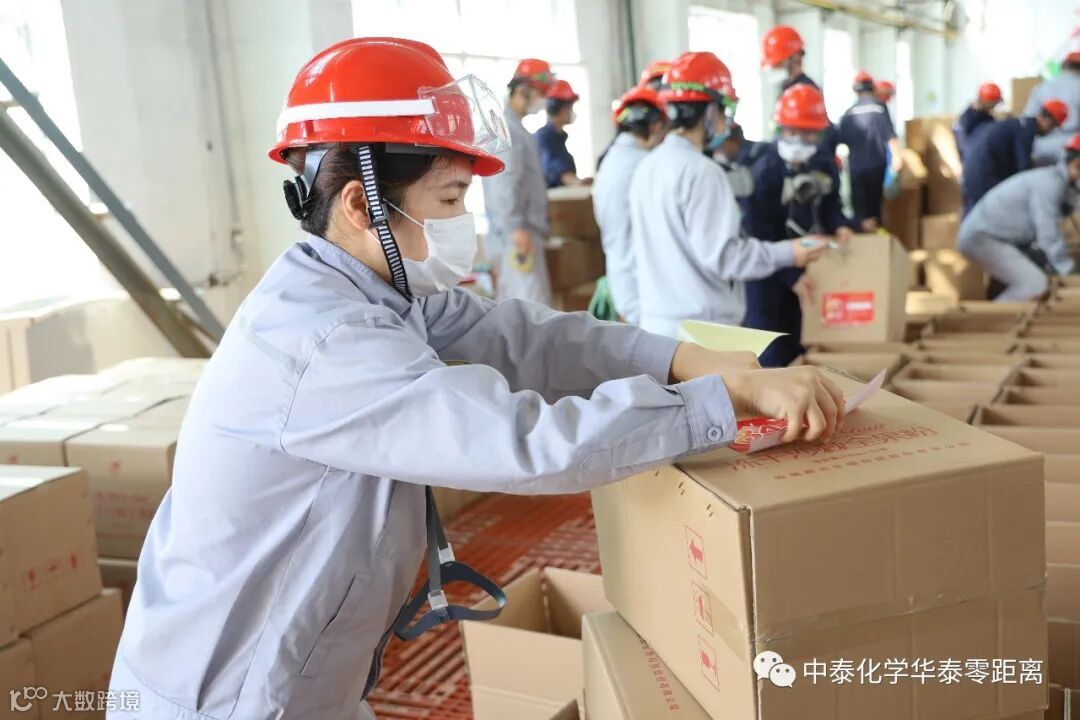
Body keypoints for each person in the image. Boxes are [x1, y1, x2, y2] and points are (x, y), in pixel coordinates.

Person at [105, 37, 847, 720]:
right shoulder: (324, 342)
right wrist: (716, 402)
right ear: (363, 205)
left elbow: (524, 334)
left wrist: (680, 359)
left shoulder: (377, 291)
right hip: (229, 697)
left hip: (304, 678)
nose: (463, 223)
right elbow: (528, 444)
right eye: (450, 200)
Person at [629, 51, 827, 338]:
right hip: (701, 332)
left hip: (657, 328)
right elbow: (726, 257)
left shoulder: (646, 167)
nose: (726, 121)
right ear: (710, 111)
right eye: (724, 110)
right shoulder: (702, 172)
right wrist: (790, 252)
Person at [741, 85, 857, 368]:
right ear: (780, 128)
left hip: (807, 269)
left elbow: (831, 205)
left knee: (798, 344)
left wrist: (840, 225)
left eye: (809, 133)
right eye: (793, 131)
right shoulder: (762, 169)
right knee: (768, 350)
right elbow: (756, 232)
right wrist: (790, 275)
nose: (801, 140)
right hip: (767, 275)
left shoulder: (823, 162)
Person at [958, 132, 1080, 301]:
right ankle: (995, 317)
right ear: (1077, 163)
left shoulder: (1059, 184)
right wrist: (1069, 270)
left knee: (1041, 272)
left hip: (1002, 239)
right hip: (983, 238)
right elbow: (1048, 235)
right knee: (1034, 284)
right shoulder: (1050, 184)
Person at [482, 57, 555, 304]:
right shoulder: (509, 130)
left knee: (524, 306)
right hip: (517, 236)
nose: (543, 100)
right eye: (541, 93)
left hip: (519, 232)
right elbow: (505, 182)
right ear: (523, 91)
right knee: (530, 308)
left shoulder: (516, 129)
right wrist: (515, 227)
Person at [593, 85, 667, 324]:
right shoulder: (646, 164)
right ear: (655, 127)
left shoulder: (610, 160)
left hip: (621, 276)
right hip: (643, 284)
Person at [961, 98, 1068, 215]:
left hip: (972, 173)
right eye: (1053, 127)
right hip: (985, 176)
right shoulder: (1025, 132)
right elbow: (1023, 171)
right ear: (1049, 122)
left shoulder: (1018, 124)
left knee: (973, 217)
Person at [838, 70, 902, 231]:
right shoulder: (879, 109)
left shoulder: (848, 113)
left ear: (855, 90)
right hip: (876, 167)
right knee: (875, 210)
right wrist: (897, 159)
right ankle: (876, 241)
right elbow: (890, 137)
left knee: (859, 214)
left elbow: (840, 140)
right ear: (873, 88)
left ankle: (862, 240)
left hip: (856, 169)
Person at [1025, 34, 1080, 164]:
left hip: (1039, 148)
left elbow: (1028, 119)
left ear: (1064, 66)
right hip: (1071, 149)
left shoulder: (1041, 86)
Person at [535, 79, 586, 188]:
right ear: (563, 110)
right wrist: (575, 182)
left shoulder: (559, 137)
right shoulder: (544, 137)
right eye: (570, 107)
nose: (571, 112)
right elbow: (556, 169)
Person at [954, 82, 1003, 161]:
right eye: (992, 104)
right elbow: (967, 146)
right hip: (973, 158)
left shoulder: (985, 116)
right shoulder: (969, 119)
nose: (993, 108)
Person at [710, 122, 757, 199]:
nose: (723, 151)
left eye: (722, 145)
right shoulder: (752, 154)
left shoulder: (751, 164)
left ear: (732, 141)